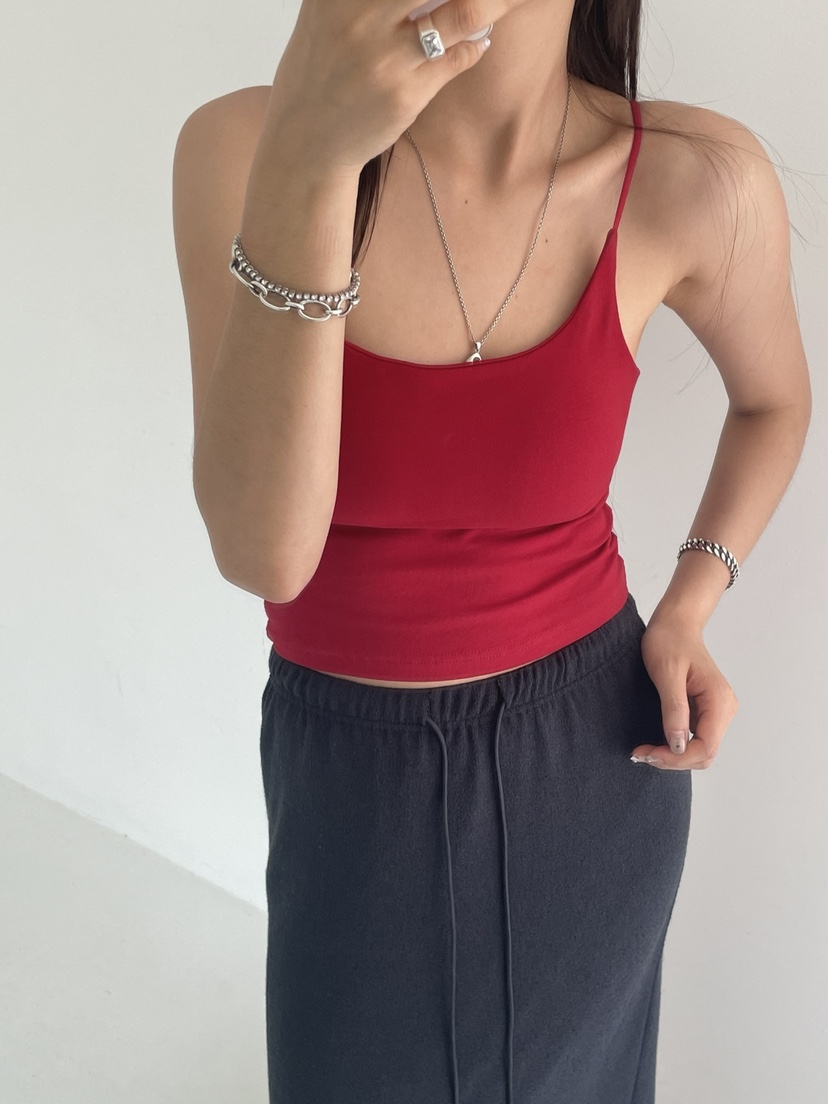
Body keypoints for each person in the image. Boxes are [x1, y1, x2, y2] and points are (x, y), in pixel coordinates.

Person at [172, 0, 812, 1100]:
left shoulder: (692, 177)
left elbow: (775, 404)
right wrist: (315, 160)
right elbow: (265, 553)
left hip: (594, 756)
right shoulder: (242, 146)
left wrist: (690, 605)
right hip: (349, 774)